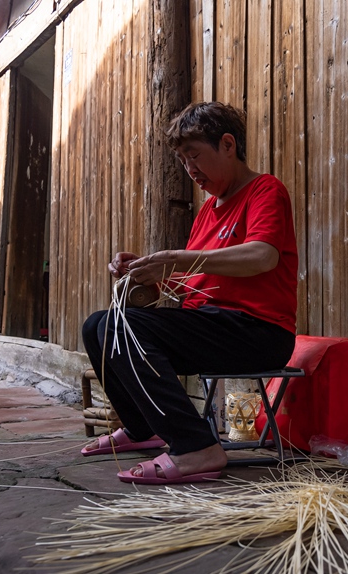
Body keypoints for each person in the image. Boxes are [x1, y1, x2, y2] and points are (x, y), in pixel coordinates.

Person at [81, 102, 298, 484]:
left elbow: (262, 256)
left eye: (194, 156)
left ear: (228, 145)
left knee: (122, 327)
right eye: (183, 161)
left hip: (258, 332)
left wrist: (176, 258)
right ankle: (141, 428)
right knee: (97, 324)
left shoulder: (265, 190)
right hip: (212, 326)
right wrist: (145, 274)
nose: (190, 170)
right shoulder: (208, 212)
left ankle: (196, 447)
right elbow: (190, 284)